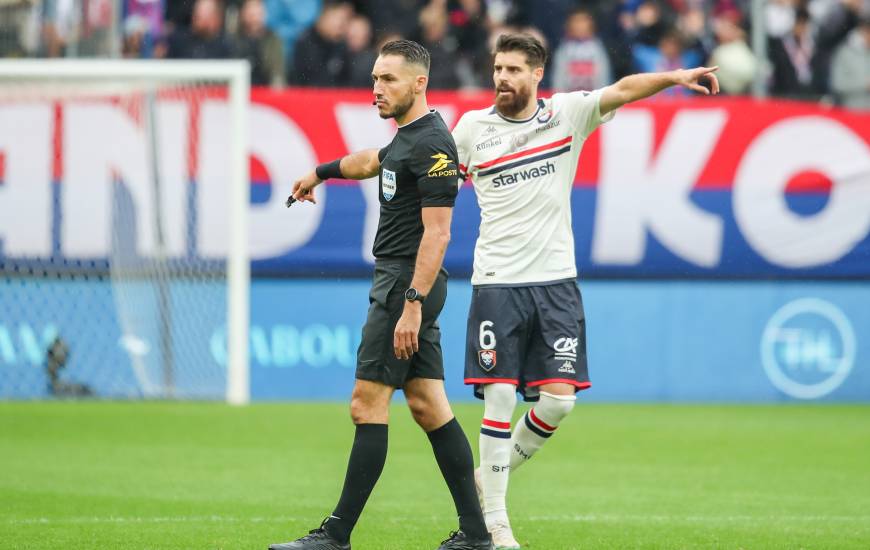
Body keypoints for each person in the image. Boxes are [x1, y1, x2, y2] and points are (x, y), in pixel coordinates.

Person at [451, 33, 719, 549]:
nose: (502, 77)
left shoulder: (567, 115)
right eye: (497, 68)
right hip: (497, 282)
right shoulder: (471, 129)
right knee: (501, 393)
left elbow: (622, 88)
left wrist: (676, 77)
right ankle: (495, 523)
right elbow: (430, 175)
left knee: (558, 403)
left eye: (513, 69)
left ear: (536, 74)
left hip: (556, 281)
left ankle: (489, 476)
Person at [269, 39, 493, 550]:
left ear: (419, 83)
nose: (377, 88)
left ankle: (337, 534)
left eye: (388, 79)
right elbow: (372, 161)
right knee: (428, 405)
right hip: (405, 283)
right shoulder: (406, 141)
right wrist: (321, 173)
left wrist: (411, 304)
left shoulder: (434, 145)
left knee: (365, 403)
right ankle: (477, 535)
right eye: (374, 78)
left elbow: (438, 234)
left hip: (404, 284)